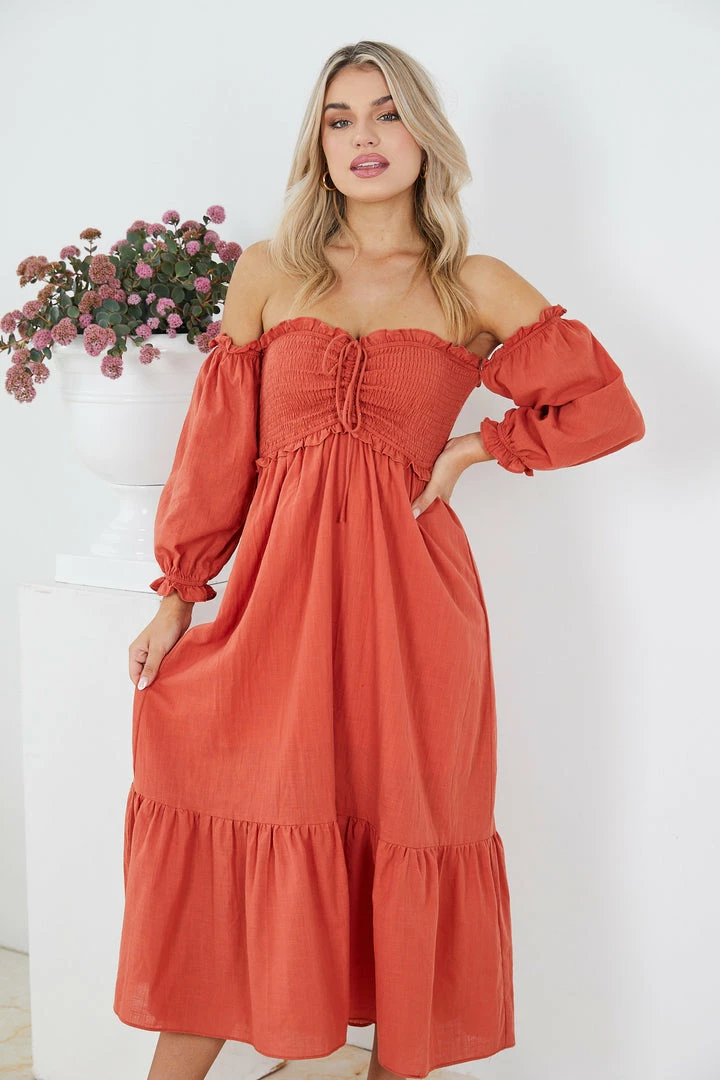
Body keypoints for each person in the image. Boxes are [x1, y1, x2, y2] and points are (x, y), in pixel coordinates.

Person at [115, 40, 646, 1080]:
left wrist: (477, 447)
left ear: (424, 134)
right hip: (275, 614)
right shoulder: (270, 272)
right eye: (341, 118)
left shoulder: (472, 284)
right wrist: (177, 595)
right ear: (318, 144)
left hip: (414, 622)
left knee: (406, 842)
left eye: (387, 112)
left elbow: (606, 409)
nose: (365, 136)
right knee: (240, 842)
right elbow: (214, 449)